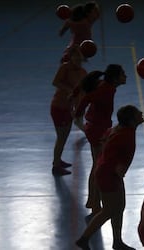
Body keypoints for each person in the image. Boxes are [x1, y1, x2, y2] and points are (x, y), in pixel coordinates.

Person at [75, 105, 144, 250]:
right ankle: (84, 239)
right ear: (131, 120)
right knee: (108, 210)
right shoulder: (125, 135)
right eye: (138, 113)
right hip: (109, 175)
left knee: (119, 207)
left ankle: (117, 241)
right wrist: (117, 171)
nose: (141, 114)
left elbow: (104, 139)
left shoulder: (121, 130)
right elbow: (113, 156)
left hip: (109, 173)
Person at [73, 64, 127, 214]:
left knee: (97, 165)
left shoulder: (105, 85)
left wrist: (74, 94)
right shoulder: (106, 89)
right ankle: (94, 203)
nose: (126, 76)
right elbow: (88, 97)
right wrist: (77, 114)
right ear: (116, 78)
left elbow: (84, 86)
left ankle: (93, 201)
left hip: (97, 128)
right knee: (98, 167)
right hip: (97, 131)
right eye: (123, 74)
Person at [50, 46, 87, 176]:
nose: (77, 59)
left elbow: (82, 91)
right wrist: (70, 90)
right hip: (59, 107)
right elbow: (55, 82)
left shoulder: (83, 72)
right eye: (75, 57)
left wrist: (77, 109)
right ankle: (55, 166)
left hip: (69, 108)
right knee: (61, 138)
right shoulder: (65, 68)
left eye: (79, 57)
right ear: (70, 57)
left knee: (64, 137)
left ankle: (58, 160)